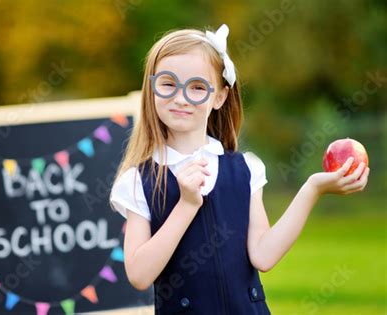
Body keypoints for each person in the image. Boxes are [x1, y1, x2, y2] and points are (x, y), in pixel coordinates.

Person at [109, 24, 370, 314]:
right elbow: (139, 275)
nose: (181, 97)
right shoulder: (139, 181)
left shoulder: (245, 169)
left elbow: (263, 255)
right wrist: (186, 205)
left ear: (219, 97)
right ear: (152, 86)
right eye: (169, 83)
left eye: (197, 87)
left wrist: (313, 188)